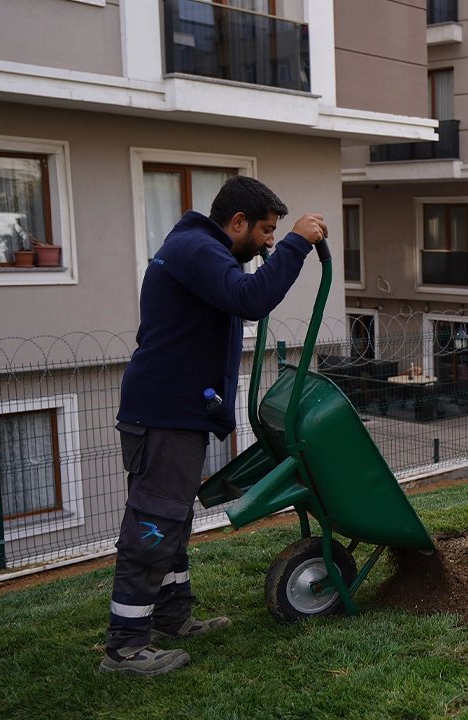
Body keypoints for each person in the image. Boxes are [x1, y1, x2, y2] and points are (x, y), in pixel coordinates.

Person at [101, 177, 327, 676]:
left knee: (173, 519)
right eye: (267, 230)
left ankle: (172, 619)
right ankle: (125, 647)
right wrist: (297, 244)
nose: (269, 240)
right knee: (154, 522)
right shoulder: (197, 249)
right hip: (163, 415)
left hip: (176, 411)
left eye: (276, 233)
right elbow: (249, 299)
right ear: (238, 222)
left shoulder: (195, 248)